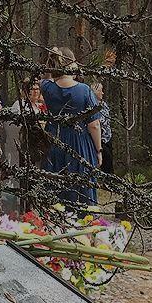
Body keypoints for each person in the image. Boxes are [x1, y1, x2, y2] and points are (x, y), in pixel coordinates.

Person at [40, 46, 102, 206]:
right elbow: (94, 125)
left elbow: (45, 77)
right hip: (79, 143)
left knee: (54, 185)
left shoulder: (47, 88)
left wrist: (51, 59)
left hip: (54, 141)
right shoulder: (85, 91)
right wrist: (99, 150)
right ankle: (84, 219)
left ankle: (54, 217)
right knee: (82, 186)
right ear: (72, 63)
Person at [93, 82, 113, 175]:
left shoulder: (104, 104)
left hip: (107, 138)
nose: (102, 93)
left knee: (109, 163)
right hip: (99, 140)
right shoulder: (92, 105)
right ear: (95, 92)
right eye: (100, 90)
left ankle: (110, 180)